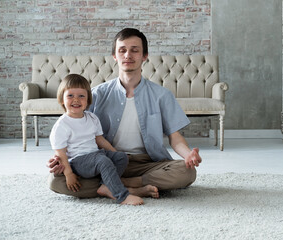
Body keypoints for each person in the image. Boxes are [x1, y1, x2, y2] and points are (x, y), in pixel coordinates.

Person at [47, 28, 202, 199]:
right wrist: (59, 159)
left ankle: (121, 184)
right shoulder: (96, 94)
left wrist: (188, 154)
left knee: (186, 172)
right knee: (56, 181)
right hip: (106, 160)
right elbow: (76, 129)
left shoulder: (162, 95)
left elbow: (175, 137)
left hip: (147, 163)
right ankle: (127, 186)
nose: (128, 55)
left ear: (144, 56)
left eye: (135, 50)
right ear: (114, 55)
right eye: (122, 50)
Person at [50, 73, 144, 205]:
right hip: (78, 161)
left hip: (95, 154)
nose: (76, 100)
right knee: (103, 161)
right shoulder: (62, 125)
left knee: (121, 157)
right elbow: (61, 154)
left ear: (88, 100)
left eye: (81, 96)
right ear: (62, 100)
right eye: (70, 96)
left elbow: (100, 140)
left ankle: (105, 186)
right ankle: (122, 196)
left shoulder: (92, 118)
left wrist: (115, 153)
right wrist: (69, 174)